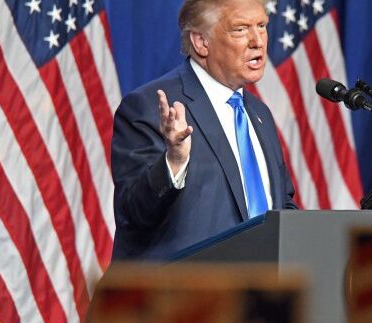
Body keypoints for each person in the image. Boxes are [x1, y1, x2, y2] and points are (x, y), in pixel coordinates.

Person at [111, 0, 297, 260]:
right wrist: (174, 161)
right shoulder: (151, 106)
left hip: (254, 292)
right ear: (201, 42)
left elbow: (280, 204)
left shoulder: (259, 114)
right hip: (178, 295)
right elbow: (135, 212)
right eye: (240, 29)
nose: (258, 41)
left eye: (262, 26)